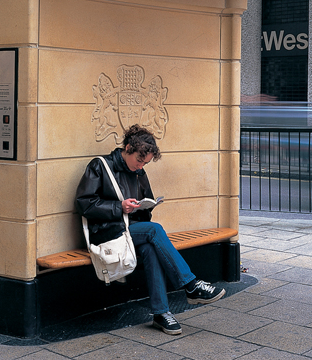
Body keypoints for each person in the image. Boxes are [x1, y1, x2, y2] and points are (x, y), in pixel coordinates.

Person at [76, 124, 225, 335]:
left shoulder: (139, 173)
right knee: (154, 231)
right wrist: (120, 207)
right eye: (139, 160)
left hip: (130, 231)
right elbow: (84, 204)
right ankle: (191, 285)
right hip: (106, 233)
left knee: (150, 249)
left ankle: (161, 313)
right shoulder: (100, 166)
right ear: (128, 148)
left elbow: (145, 212)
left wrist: (143, 207)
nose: (140, 166)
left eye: (145, 163)